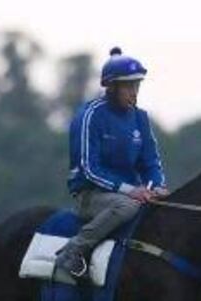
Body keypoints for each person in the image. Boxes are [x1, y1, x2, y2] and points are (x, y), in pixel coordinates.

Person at [55, 47, 169, 279]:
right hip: (91, 195)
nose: (134, 92)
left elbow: (150, 162)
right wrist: (131, 191)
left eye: (137, 85)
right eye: (128, 86)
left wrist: (154, 187)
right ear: (111, 87)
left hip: (130, 195)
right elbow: (89, 169)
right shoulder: (90, 116)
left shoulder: (140, 118)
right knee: (128, 206)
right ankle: (73, 250)